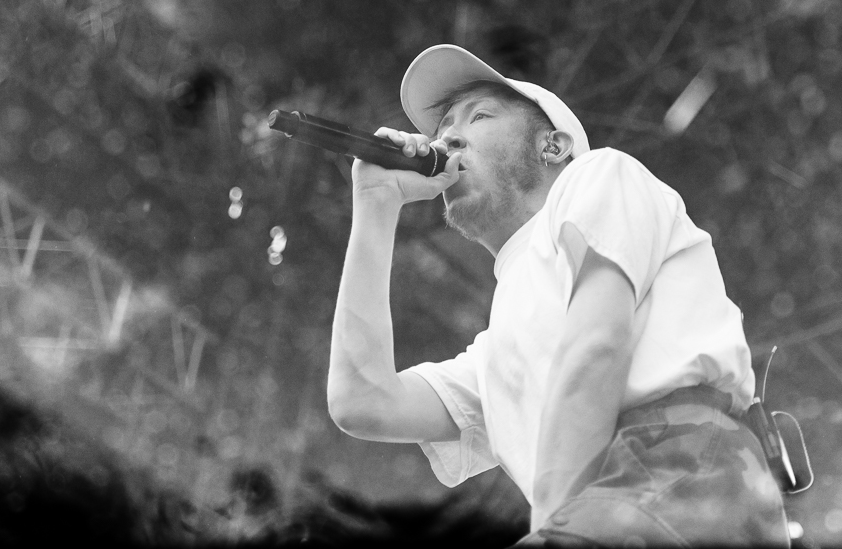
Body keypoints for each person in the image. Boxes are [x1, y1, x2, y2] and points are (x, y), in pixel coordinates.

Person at [327, 44, 789, 546]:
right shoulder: (496, 349)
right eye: (442, 130)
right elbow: (363, 402)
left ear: (553, 145)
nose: (448, 137)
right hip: (609, 508)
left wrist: (553, 525)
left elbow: (595, 346)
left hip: (682, 474)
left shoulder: (600, 175)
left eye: (479, 116)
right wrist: (375, 204)